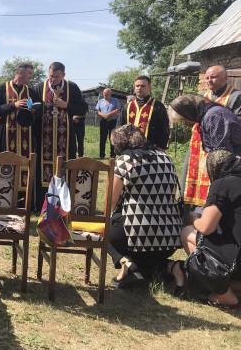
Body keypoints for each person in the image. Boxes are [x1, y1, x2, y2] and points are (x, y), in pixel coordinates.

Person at [106, 124, 184, 290]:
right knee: (146, 261)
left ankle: (126, 263)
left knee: (103, 229)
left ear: (120, 144)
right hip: (170, 235)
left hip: (138, 233)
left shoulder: (126, 160)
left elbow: (110, 201)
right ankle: (171, 267)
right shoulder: (166, 157)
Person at [181, 150, 241, 307]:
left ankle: (223, 292)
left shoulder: (223, 184)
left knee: (187, 233)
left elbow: (206, 227)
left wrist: (193, 218)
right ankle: (232, 284)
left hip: (238, 258)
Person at [180, 65, 241, 211]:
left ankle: (215, 207)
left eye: (213, 77)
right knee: (192, 177)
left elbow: (236, 123)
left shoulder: (236, 96)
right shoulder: (201, 96)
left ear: (225, 78)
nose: (209, 80)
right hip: (198, 146)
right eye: (207, 77)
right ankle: (190, 208)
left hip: (223, 147)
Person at [31, 62, 87, 208]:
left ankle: (64, 204)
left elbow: (83, 109)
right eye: (51, 76)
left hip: (66, 139)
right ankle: (41, 204)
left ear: (63, 75)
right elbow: (34, 110)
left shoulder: (72, 87)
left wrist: (66, 105)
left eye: (56, 77)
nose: (53, 80)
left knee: (66, 168)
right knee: (42, 170)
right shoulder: (40, 87)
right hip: (44, 139)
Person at [0, 62, 36, 194]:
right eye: (29, 73)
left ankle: (24, 198)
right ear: (20, 72)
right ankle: (3, 195)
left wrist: (33, 110)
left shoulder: (30, 91)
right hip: (6, 135)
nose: (31, 76)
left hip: (26, 137)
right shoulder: (2, 88)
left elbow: (38, 112)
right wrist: (13, 105)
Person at [168, 93, 241, 155]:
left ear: (189, 112)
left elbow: (222, 153)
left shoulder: (213, 116)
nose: (186, 123)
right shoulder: (209, 116)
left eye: (184, 119)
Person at [116, 76, 169, 150]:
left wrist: (161, 146)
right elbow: (119, 127)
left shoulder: (157, 106)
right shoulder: (127, 107)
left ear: (149, 87)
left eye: (143, 86)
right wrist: (120, 145)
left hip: (151, 148)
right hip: (129, 148)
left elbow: (164, 128)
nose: (139, 88)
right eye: (137, 86)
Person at [95, 88, 121, 159]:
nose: (105, 95)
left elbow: (118, 110)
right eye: (104, 94)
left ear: (110, 94)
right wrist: (104, 115)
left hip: (112, 121)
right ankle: (101, 155)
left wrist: (109, 114)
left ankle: (113, 154)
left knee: (112, 137)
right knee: (102, 138)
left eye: (107, 94)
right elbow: (97, 111)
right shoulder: (100, 101)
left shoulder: (115, 100)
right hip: (103, 121)